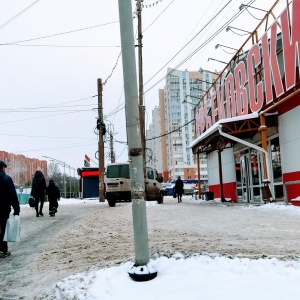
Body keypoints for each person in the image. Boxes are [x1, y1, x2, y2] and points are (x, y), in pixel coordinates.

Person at [0, 160, 20, 258]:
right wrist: (16, 209)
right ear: (3, 168)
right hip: (3, 209)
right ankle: (3, 250)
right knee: (3, 229)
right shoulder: (6, 179)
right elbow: (12, 195)